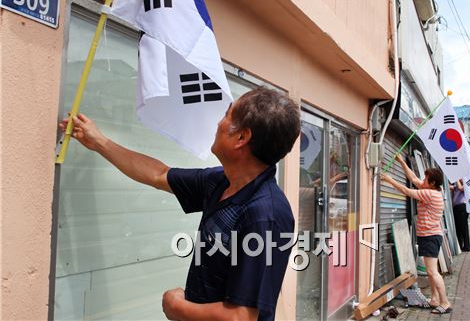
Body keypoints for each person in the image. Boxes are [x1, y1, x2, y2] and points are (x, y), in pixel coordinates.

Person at [60, 87, 301, 321]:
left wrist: (177, 308)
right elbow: (158, 174)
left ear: (241, 137)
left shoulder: (266, 215)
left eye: (227, 116)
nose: (219, 124)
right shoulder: (221, 181)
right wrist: (99, 141)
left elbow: (241, 317)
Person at [380, 156, 452, 315]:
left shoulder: (430, 194)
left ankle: (445, 302)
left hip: (430, 236)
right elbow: (413, 178)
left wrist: (389, 180)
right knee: (430, 270)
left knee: (433, 271)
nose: (423, 180)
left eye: (426, 178)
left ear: (432, 183)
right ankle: (434, 299)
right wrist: (401, 162)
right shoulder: (433, 190)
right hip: (430, 235)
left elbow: (407, 191)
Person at [450, 179, 470, 252]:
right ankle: (460, 245)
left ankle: (467, 246)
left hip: (463, 206)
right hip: (457, 207)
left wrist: (457, 179)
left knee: (463, 227)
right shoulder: (457, 183)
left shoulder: (468, 183)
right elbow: (453, 187)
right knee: (458, 227)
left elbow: (460, 188)